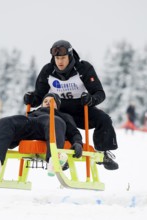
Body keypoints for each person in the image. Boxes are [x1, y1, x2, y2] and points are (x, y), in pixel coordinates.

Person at [23, 40, 118, 170]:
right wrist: (30, 98)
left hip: (80, 108)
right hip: (58, 111)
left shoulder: (83, 69)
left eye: (63, 58)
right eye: (57, 58)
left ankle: (103, 152)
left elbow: (100, 93)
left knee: (104, 119)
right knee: (59, 125)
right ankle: (61, 157)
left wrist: (91, 99)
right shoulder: (48, 71)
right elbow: (38, 97)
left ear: (70, 56)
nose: (60, 62)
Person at [0, 93, 84, 178]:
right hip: (31, 124)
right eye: (46, 101)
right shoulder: (32, 113)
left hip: (50, 126)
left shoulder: (63, 116)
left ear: (57, 105)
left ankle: (54, 159)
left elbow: (74, 132)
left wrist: (78, 143)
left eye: (52, 101)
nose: (48, 102)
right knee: (5, 121)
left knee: (54, 121)